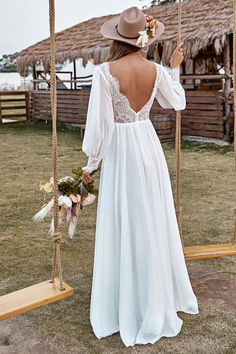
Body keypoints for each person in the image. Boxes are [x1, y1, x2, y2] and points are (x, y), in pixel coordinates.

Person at [81, 6, 199, 347]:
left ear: (116, 38)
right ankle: (153, 294)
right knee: (151, 217)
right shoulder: (157, 70)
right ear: (143, 39)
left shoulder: (104, 73)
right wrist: (173, 71)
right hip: (147, 146)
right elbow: (176, 103)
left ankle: (126, 299)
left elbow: (99, 128)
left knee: (125, 218)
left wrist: (90, 166)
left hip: (121, 149)